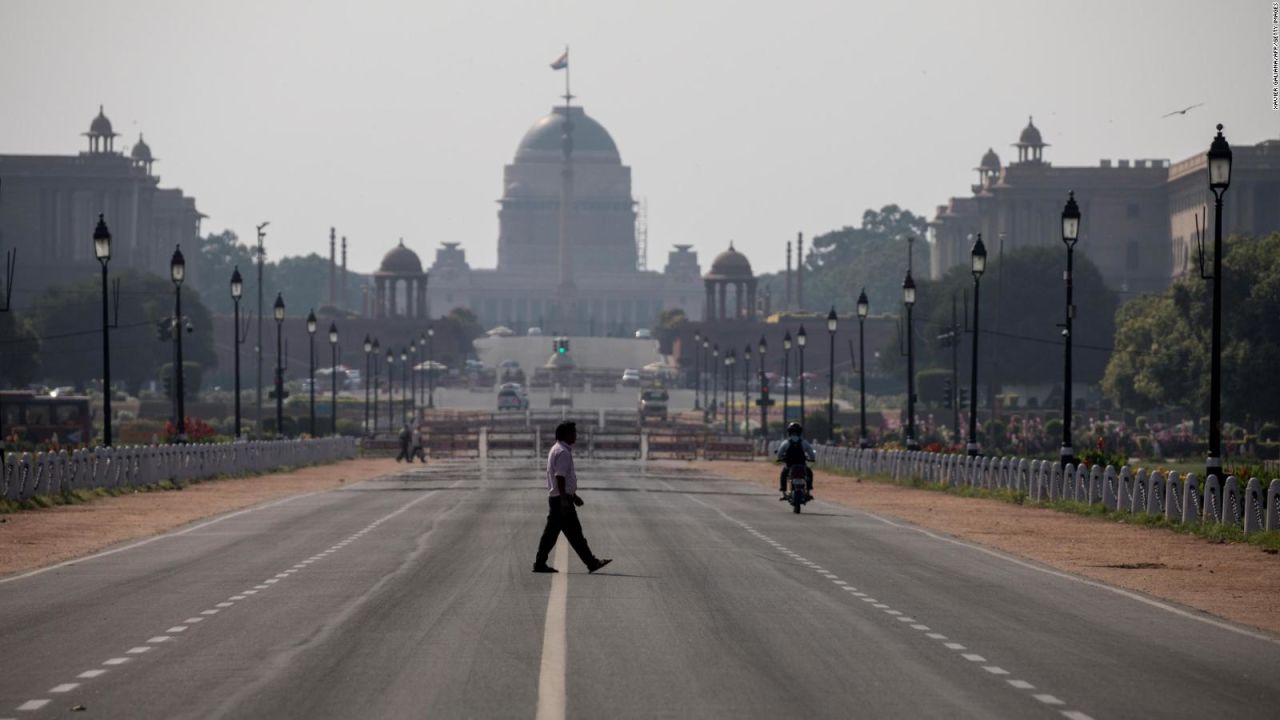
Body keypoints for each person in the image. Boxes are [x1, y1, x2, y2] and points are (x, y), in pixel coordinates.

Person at [533, 420, 612, 574]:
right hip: (561, 501)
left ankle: (540, 563)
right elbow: (560, 477)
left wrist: (573, 496)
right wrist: (565, 499)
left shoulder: (557, 449)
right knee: (575, 534)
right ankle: (591, 562)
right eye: (573, 432)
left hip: (559, 498)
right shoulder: (562, 452)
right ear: (565, 435)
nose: (576, 435)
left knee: (552, 535)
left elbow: (561, 478)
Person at [776, 422, 815, 498]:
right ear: (800, 432)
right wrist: (812, 459)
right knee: (809, 473)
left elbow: (779, 454)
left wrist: (780, 458)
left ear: (789, 432)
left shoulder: (786, 443)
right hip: (802, 465)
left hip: (789, 466)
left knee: (783, 475)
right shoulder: (804, 442)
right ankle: (808, 490)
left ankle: (784, 491)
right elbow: (811, 454)